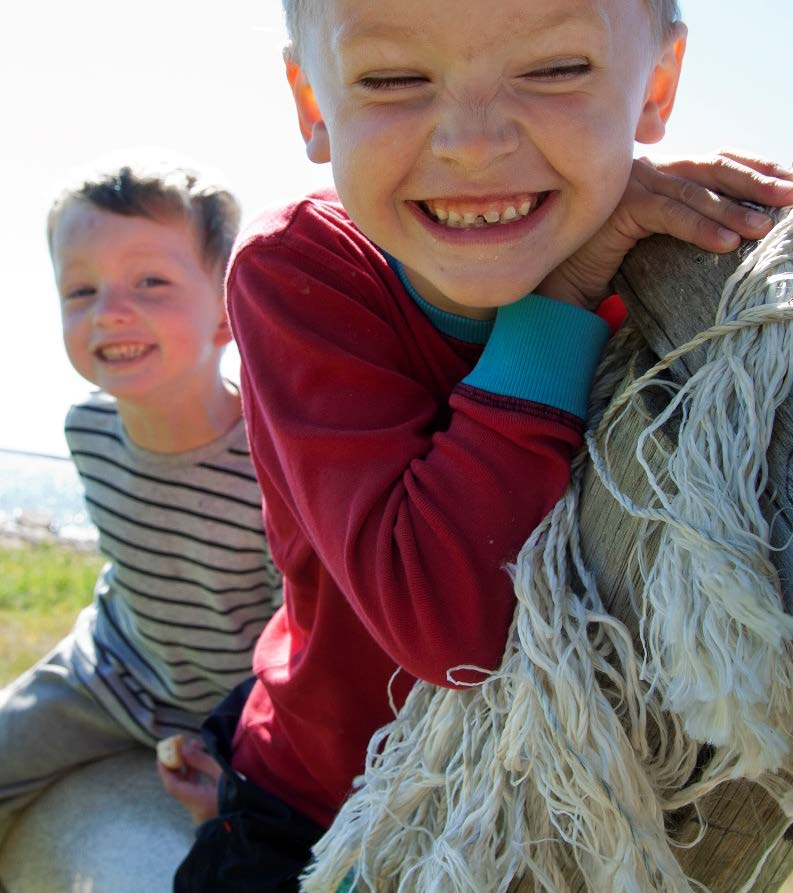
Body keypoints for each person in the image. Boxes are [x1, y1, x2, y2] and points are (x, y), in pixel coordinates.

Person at [166, 1, 793, 889]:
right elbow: (449, 629)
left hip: (563, 795)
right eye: (391, 79)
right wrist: (566, 295)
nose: (469, 142)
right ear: (313, 105)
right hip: (319, 797)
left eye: (554, 70)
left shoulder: (670, 259)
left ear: (654, 87)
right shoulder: (296, 269)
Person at [0, 157, 283, 846]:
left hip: (227, 706)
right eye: (80, 289)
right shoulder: (88, 428)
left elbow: (298, 633)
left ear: (226, 311)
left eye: (151, 281)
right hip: (103, 672)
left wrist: (240, 745)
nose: (109, 310)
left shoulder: (272, 461)